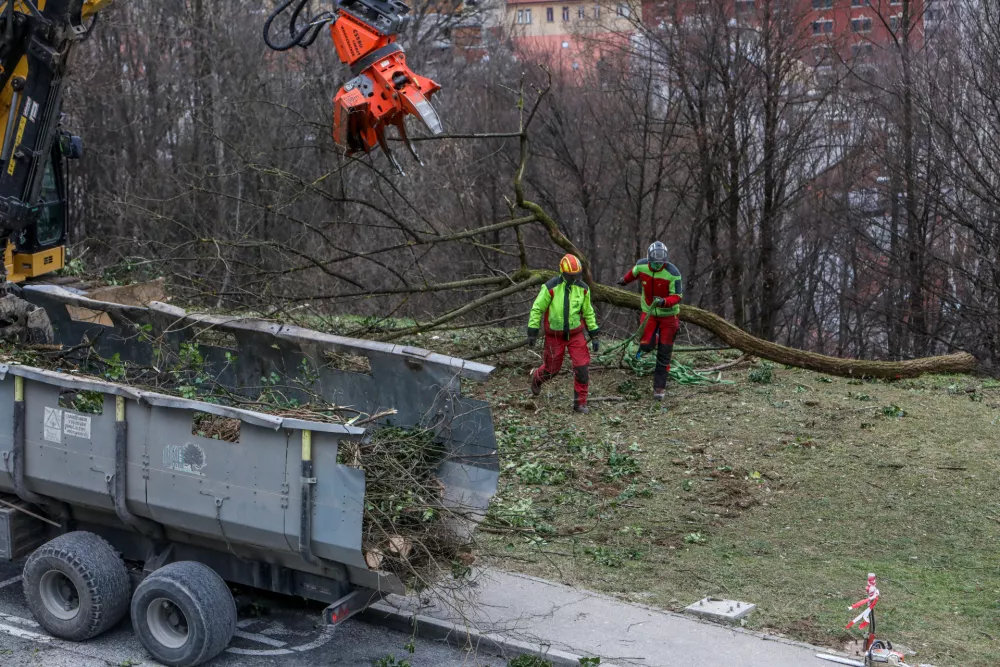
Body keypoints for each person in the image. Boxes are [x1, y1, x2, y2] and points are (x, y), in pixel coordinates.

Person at [527, 254, 600, 414]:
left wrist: (594, 334)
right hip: (554, 336)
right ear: (563, 273)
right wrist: (532, 331)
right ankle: (537, 378)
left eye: (577, 276)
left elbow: (588, 313)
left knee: (582, 368)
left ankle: (580, 403)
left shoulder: (583, 289)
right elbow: (537, 309)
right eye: (570, 276)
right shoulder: (550, 288)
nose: (574, 279)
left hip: (576, 335)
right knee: (552, 369)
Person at [617, 241, 682, 400]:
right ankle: (654, 338)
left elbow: (678, 296)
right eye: (655, 262)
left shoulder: (673, 273)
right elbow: (632, 274)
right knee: (646, 345)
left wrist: (664, 301)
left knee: (664, 353)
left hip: (669, 315)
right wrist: (624, 281)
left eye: (661, 262)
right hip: (649, 311)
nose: (658, 265)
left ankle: (659, 388)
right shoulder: (641, 266)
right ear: (649, 259)